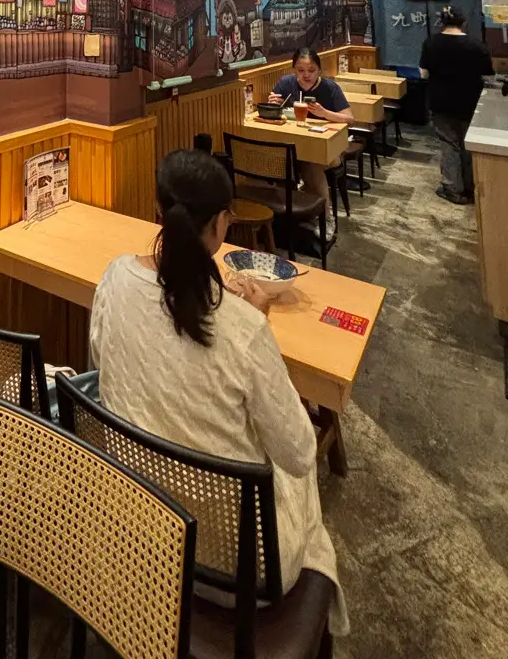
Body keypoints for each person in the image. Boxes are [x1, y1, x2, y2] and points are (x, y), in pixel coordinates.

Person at [90, 149, 347, 636]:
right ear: (221, 223)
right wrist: (255, 321)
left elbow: (100, 366)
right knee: (294, 468)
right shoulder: (243, 329)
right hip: (240, 571)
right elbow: (298, 453)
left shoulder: (115, 277)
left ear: (157, 210)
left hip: (139, 520)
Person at [419, 5, 493, 205]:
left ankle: (453, 188)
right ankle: (471, 186)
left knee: (449, 143)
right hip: (470, 102)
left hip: (440, 101)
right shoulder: (475, 45)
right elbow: (488, 74)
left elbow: (424, 73)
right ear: (464, 22)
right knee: (468, 143)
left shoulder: (431, 43)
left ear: (442, 22)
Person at [269, 48, 354, 209]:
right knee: (280, 163)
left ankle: (325, 215)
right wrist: (274, 104)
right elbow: (273, 109)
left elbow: (350, 119)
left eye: (311, 70)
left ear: (319, 70)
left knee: (311, 163)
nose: (306, 75)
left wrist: (324, 113)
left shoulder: (330, 87)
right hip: (295, 144)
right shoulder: (286, 83)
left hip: (329, 148)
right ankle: (290, 210)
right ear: (294, 70)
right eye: (300, 70)